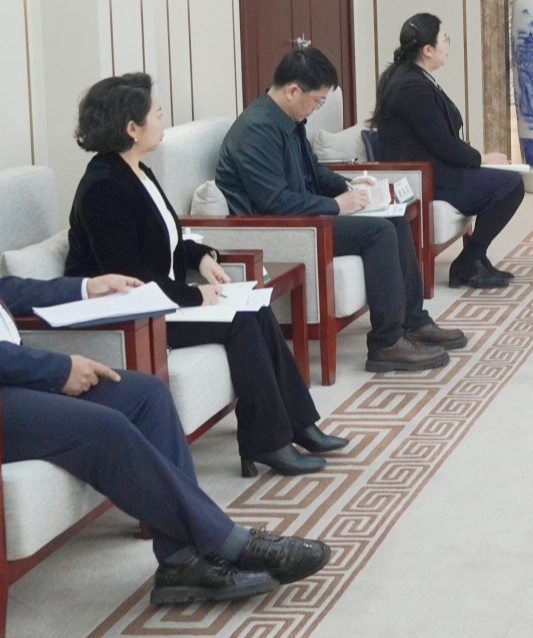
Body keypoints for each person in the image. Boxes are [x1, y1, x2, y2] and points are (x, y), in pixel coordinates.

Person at [0, 115, 329, 606]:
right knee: (104, 428)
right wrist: (55, 370)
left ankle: (181, 563)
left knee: (147, 395)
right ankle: (231, 542)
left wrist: (84, 287)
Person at [67, 74, 346, 478]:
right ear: (132, 128)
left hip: (159, 300)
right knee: (239, 321)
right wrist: (195, 297)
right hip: (129, 315)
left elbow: (168, 237)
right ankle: (267, 443)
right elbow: (128, 273)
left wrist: (200, 258)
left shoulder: (137, 171)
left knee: (257, 309)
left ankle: (299, 424)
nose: (163, 122)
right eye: (157, 114)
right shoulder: (103, 187)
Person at [215, 46, 466, 373]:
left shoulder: (287, 119)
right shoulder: (256, 131)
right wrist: (336, 205)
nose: (316, 108)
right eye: (317, 101)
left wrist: (349, 186)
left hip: (305, 219)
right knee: (378, 232)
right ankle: (386, 343)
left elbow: (313, 171)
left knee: (394, 216)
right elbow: (274, 203)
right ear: (292, 91)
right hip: (281, 230)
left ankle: (414, 321)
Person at [369, 13, 522, 289]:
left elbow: (441, 140)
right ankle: (469, 261)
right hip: (427, 178)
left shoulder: (415, 77)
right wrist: (481, 159)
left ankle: (476, 258)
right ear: (427, 50)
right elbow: (443, 144)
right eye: (445, 39)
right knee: (511, 186)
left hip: (434, 169)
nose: (448, 44)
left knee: (505, 180)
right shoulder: (412, 87)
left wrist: (478, 160)